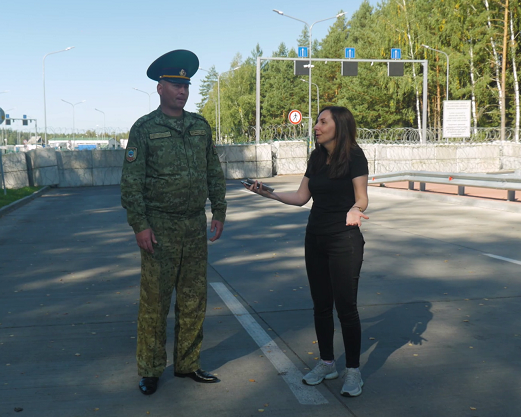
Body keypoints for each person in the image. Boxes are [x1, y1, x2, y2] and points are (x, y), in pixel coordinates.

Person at [120, 49, 227, 396]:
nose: (182, 91)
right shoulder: (145, 129)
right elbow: (131, 182)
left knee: (194, 299)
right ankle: (150, 370)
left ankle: (187, 363)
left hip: (194, 225)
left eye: (186, 85)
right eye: (175, 84)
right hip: (160, 227)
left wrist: (220, 211)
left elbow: (214, 171)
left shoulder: (200, 127)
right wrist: (140, 224)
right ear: (160, 88)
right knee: (155, 302)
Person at [245, 106, 369, 397]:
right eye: (317, 121)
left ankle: (353, 371)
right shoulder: (316, 157)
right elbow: (302, 197)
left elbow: (362, 198)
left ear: (338, 125)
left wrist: (355, 209)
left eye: (323, 121)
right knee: (321, 306)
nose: (316, 126)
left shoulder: (354, 155)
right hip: (315, 239)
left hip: (344, 240)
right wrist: (269, 193)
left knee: (346, 308)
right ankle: (327, 363)